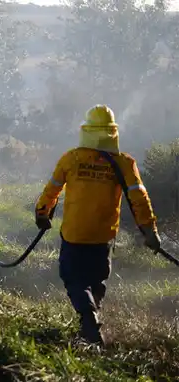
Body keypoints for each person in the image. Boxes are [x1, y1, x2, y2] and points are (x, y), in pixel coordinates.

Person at [35, 104, 161, 345]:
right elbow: (139, 199)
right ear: (113, 132)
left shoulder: (71, 159)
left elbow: (51, 190)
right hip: (103, 238)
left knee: (73, 279)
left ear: (87, 131)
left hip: (74, 234)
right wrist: (150, 230)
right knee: (96, 281)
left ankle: (89, 323)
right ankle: (90, 323)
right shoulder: (124, 163)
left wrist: (42, 213)